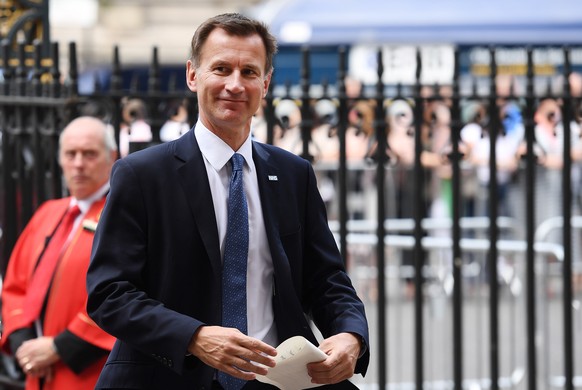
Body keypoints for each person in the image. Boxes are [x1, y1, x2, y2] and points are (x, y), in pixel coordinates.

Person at [86, 12, 370, 390]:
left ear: (266, 83)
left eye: (249, 72)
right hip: (169, 378)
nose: (235, 85)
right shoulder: (142, 175)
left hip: (277, 380)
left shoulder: (292, 173)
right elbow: (109, 293)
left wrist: (351, 335)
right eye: (220, 69)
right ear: (192, 75)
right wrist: (195, 337)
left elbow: (327, 279)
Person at [0, 116, 118, 390]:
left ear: (111, 157)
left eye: (89, 154)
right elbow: (15, 285)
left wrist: (60, 347)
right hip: (38, 372)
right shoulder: (48, 212)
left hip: (90, 371)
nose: (78, 164)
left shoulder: (124, 216)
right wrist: (24, 344)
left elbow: (129, 292)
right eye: (70, 154)